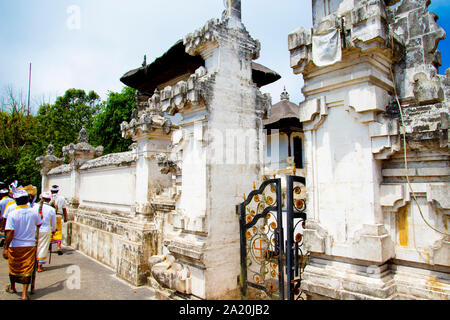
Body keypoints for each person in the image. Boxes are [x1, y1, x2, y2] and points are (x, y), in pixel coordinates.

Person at [3, 189, 42, 300]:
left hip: (15, 245)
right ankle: (24, 293)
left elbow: (10, 232)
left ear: (16, 201)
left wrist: (5, 247)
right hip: (29, 245)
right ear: (27, 200)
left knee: (14, 267)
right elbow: (39, 224)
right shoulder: (34, 212)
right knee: (27, 269)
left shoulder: (12, 214)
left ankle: (13, 287)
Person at [33, 192, 56, 272]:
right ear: (49, 200)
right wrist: (53, 230)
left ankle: (34, 264)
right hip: (45, 230)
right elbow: (53, 222)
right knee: (42, 247)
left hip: (35, 229)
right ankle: (39, 266)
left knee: (35, 246)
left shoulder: (34, 207)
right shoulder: (51, 209)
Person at [50, 185, 67, 255]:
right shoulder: (62, 198)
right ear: (58, 191)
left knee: (50, 230)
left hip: (50, 216)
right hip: (58, 216)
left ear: (51, 191)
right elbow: (64, 209)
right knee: (59, 231)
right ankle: (59, 247)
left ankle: (49, 246)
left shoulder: (49, 198)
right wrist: (65, 217)